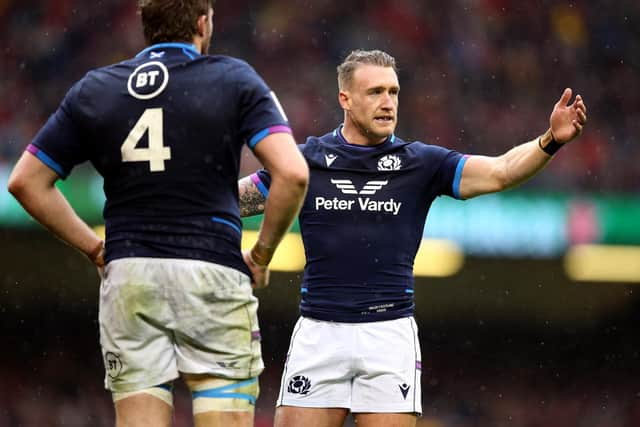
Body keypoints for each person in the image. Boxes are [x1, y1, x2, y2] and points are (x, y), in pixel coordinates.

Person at [238, 49, 587, 427]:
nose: (388, 103)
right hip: (320, 332)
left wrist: (551, 139)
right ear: (345, 99)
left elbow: (500, 171)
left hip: (389, 335)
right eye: (375, 92)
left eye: (393, 92)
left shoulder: (420, 163)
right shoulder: (306, 160)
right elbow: (234, 198)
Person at [7, 1, 308, 426]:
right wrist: (261, 254)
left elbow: (25, 182)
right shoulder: (233, 79)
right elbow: (292, 174)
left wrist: (95, 249)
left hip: (130, 274)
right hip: (210, 269)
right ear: (203, 23)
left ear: (146, 27)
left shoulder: (97, 87)